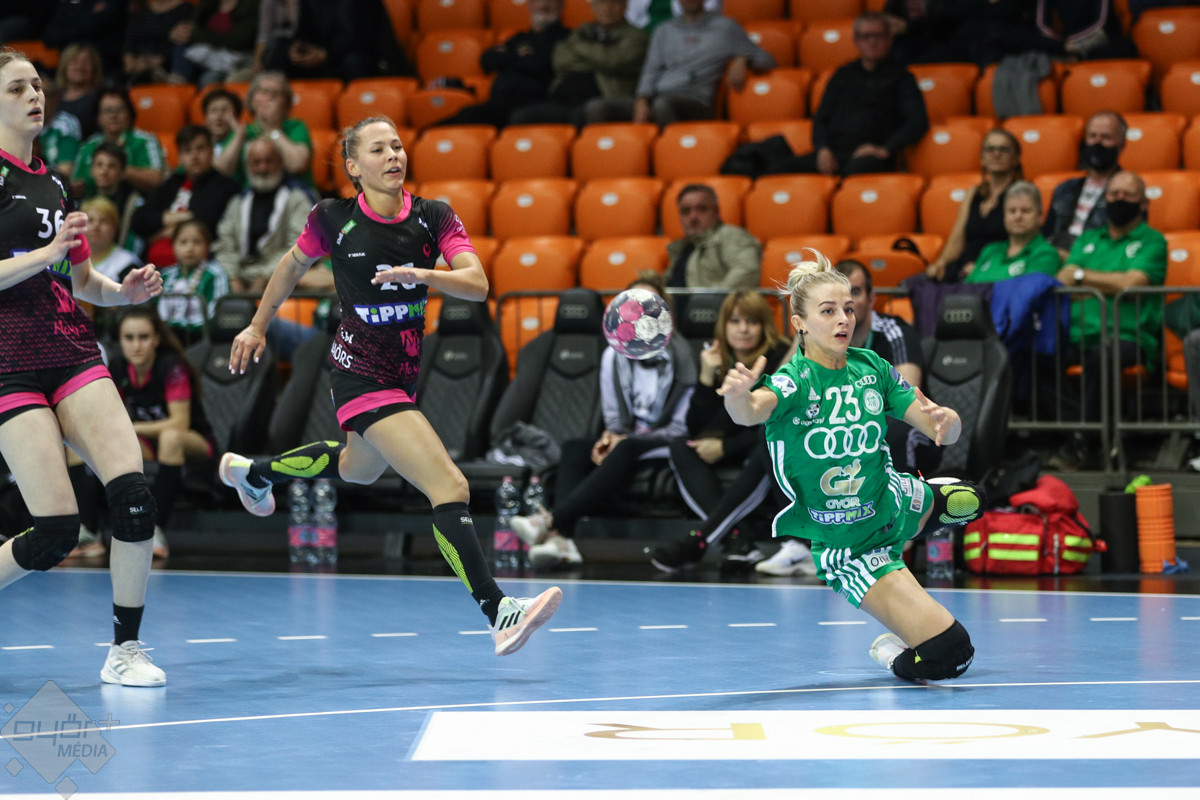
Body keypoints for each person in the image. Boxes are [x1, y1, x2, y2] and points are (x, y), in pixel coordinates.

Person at [218, 115, 561, 656]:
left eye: (397, 145)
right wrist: (257, 326)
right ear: (353, 166)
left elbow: (477, 284)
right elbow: (290, 265)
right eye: (378, 149)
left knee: (357, 468)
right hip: (358, 374)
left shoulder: (433, 216)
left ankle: (252, 473)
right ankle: (499, 612)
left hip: (402, 376)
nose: (393, 155)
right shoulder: (333, 218)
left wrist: (423, 276)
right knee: (450, 487)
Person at [720, 249, 985, 682]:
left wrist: (948, 422)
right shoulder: (794, 380)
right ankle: (892, 650)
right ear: (800, 323)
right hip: (851, 545)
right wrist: (737, 396)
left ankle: (907, 532)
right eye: (828, 311)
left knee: (972, 500)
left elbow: (939, 429)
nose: (844, 318)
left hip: (890, 500)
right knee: (953, 655)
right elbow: (750, 411)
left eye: (847, 308)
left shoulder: (872, 367)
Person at [0, 49, 167, 686]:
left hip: (70, 351)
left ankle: (125, 650)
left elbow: (81, 279)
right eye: (17, 88)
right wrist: (45, 254)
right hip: (9, 365)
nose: (34, 96)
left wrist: (123, 292)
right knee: (55, 532)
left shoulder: (56, 182)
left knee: (133, 498)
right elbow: (44, 260)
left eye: (37, 86)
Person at [511, 273, 696, 569]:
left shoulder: (683, 355)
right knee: (574, 447)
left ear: (664, 311)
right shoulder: (613, 354)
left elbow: (679, 428)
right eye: (633, 305)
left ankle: (551, 521)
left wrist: (625, 440)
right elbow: (614, 419)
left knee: (626, 447)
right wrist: (611, 436)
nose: (640, 311)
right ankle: (563, 541)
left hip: (668, 442)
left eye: (649, 304)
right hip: (628, 440)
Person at [652, 289, 792, 574]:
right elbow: (697, 428)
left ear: (764, 325)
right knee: (681, 445)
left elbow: (770, 423)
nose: (743, 329)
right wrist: (706, 378)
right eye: (735, 321)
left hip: (762, 448)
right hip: (733, 446)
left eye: (752, 321)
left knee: (767, 442)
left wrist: (724, 448)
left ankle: (701, 539)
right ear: (723, 326)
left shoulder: (779, 357)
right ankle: (736, 539)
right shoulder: (719, 359)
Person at [1047, 170, 1167, 469]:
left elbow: (1132, 284)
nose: (1118, 200)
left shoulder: (1153, 241)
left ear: (1143, 203)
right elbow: (1064, 282)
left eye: (1127, 195)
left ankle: (1083, 442)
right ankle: (1085, 431)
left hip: (1128, 337)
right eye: (1113, 194)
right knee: (1033, 356)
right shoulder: (1088, 239)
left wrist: (1082, 277)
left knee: (1103, 356)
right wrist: (1108, 283)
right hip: (1077, 334)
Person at [108, 306, 216, 560]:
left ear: (156, 339)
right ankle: (88, 533)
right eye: (129, 338)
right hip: (149, 443)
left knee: (171, 437)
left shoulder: (172, 366)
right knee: (97, 444)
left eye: (144, 337)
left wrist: (133, 428)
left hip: (194, 442)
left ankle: (154, 529)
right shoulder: (118, 367)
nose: (136, 345)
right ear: (120, 340)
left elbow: (180, 422)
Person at [764, 12, 927, 177]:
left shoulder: (902, 77)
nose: (872, 42)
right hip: (834, 153)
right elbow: (821, 118)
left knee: (856, 170)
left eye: (878, 36)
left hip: (871, 155)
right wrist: (822, 148)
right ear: (856, 41)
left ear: (889, 39)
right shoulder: (842, 75)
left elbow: (917, 120)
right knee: (776, 173)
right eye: (865, 36)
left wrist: (885, 149)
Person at [588, 0, 773, 126]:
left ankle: (671, 159)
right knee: (597, 108)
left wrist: (743, 58)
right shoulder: (664, 30)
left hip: (695, 101)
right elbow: (651, 70)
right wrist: (642, 99)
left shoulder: (725, 27)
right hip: (658, 97)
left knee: (663, 106)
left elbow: (768, 59)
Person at [509, 0, 650, 128]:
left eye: (613, 3)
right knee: (522, 116)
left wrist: (580, 49)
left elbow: (613, 61)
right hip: (562, 98)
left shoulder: (636, 35)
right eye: (601, 3)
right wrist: (599, 59)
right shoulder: (582, 30)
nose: (607, 8)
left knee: (590, 111)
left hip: (604, 96)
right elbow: (560, 60)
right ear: (593, 6)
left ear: (625, 6)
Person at [434, 0, 570, 129]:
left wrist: (509, 58)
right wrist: (520, 57)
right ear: (530, 6)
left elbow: (540, 64)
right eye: (538, 0)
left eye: (551, 0)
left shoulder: (565, 38)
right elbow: (487, 60)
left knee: (469, 115)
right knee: (454, 120)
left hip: (532, 102)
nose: (544, 5)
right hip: (499, 102)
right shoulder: (519, 38)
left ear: (561, 6)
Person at [215, 137, 319, 293]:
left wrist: (265, 278)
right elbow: (224, 245)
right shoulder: (237, 202)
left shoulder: (297, 199)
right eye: (256, 162)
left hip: (282, 279)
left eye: (269, 161)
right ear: (247, 166)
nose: (263, 168)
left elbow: (299, 247)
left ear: (280, 163)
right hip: (238, 279)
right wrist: (233, 279)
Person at [131, 125, 240, 269]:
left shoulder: (225, 186)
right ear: (180, 157)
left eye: (200, 149)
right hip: (153, 266)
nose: (194, 156)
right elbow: (139, 219)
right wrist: (179, 217)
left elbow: (207, 221)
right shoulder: (172, 183)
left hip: (201, 263)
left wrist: (160, 233)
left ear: (212, 151)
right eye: (187, 151)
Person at [926, 128, 1023, 283]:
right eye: (990, 149)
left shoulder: (1021, 194)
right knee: (911, 285)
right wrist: (941, 263)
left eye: (1004, 149)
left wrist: (982, 269)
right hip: (963, 268)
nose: (996, 154)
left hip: (999, 271)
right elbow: (957, 238)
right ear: (982, 158)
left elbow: (1022, 244)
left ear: (1016, 159)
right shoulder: (972, 194)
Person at [665, 183, 761, 320]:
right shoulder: (680, 248)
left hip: (715, 322)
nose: (693, 217)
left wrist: (709, 302)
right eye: (686, 211)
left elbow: (746, 271)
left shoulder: (730, 236)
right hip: (678, 325)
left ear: (716, 212)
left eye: (701, 209)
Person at [1042, 110, 1127, 258]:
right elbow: (1046, 235)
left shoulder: (1127, 192)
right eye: (1092, 136)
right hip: (1055, 260)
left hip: (1096, 262)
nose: (1097, 143)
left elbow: (1125, 245)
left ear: (1121, 145)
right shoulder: (1064, 189)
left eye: (1106, 137)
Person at [213, 71, 313, 189]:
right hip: (250, 196)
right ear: (251, 100)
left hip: (293, 193)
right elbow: (220, 173)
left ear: (286, 103)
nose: (269, 97)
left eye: (276, 94)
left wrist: (274, 131)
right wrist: (239, 137)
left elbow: (297, 166)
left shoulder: (295, 127)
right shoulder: (243, 132)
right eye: (264, 92)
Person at [72, 85, 168, 197]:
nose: (113, 116)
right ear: (98, 117)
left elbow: (156, 179)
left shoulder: (144, 141)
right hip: (92, 203)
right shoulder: (89, 145)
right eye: (107, 111)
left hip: (135, 202)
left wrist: (117, 169)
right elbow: (75, 181)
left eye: (119, 110)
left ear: (129, 114)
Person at [965, 181, 1061, 284]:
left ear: (1040, 216)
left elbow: (1028, 291)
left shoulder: (1046, 254)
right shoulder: (990, 251)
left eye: (1025, 211)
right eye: (1012, 211)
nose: (1018, 216)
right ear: (1004, 217)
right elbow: (966, 289)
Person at [156, 219, 230, 340]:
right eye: (183, 242)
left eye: (197, 242)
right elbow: (155, 311)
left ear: (207, 247)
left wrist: (180, 327)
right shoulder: (165, 275)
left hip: (202, 337)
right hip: (166, 337)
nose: (190, 248)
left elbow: (217, 311)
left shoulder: (215, 274)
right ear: (173, 246)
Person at [170, 0, 261, 87]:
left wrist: (197, 35)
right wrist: (179, 33)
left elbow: (238, 40)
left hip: (232, 61)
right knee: (181, 45)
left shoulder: (252, 5)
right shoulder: (208, 3)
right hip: (204, 55)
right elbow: (192, 27)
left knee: (208, 79)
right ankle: (177, 83)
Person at [86, 141, 144, 256]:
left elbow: (135, 245)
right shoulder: (83, 198)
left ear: (122, 172)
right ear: (92, 170)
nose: (104, 171)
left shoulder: (134, 203)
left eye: (111, 166)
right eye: (99, 165)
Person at [122, 0, 194, 85]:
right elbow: (129, 45)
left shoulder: (185, 10)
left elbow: (182, 41)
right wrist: (131, 63)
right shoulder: (140, 13)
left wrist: (158, 61)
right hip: (138, 65)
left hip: (169, 67)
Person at [82, 197, 143, 284]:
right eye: (90, 221)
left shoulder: (128, 265)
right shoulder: (68, 258)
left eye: (103, 221)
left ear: (114, 228)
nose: (96, 226)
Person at [53, 43, 103, 139]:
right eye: (74, 62)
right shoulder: (53, 97)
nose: (80, 67)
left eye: (86, 63)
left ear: (94, 68)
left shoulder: (100, 98)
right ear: (64, 67)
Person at [200, 87, 243, 167]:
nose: (218, 117)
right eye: (213, 111)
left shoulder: (245, 141)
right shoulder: (197, 145)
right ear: (205, 118)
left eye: (225, 110)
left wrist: (239, 134)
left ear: (236, 117)